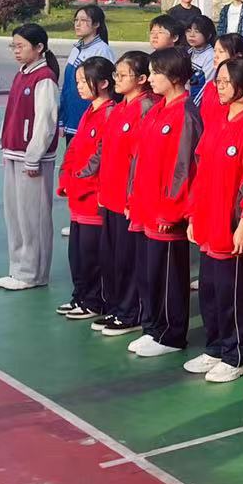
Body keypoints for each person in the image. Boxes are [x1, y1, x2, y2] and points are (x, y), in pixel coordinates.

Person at [184, 57, 243, 385]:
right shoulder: (218, 118)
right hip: (209, 219)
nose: (219, 87)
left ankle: (237, 355)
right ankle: (216, 346)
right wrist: (193, 214)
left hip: (231, 224)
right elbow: (201, 168)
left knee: (234, 292)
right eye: (217, 81)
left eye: (226, 82)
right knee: (210, 290)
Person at [125, 47, 200, 356]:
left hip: (166, 212)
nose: (151, 78)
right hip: (147, 206)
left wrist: (172, 209)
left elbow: (184, 167)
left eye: (157, 72)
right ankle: (153, 326)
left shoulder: (185, 114)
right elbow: (140, 156)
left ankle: (170, 334)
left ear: (175, 77)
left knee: (168, 275)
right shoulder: (157, 109)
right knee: (149, 273)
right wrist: (133, 196)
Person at [91, 53, 154, 337]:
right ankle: (118, 307)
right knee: (113, 257)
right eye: (116, 74)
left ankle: (132, 312)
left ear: (141, 79)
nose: (116, 80)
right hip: (111, 196)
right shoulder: (118, 108)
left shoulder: (146, 107)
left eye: (123, 75)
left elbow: (140, 158)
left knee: (130, 259)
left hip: (129, 200)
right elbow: (107, 151)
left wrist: (132, 196)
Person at [0, 24, 61, 292]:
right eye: (14, 46)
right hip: (14, 153)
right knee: (15, 215)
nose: (16, 50)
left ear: (39, 48)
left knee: (33, 217)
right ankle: (18, 268)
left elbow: (46, 122)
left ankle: (33, 273)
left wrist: (33, 157)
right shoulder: (22, 74)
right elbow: (12, 114)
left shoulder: (44, 78)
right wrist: (5, 144)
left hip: (32, 159)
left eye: (21, 46)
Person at [56, 55, 115, 321]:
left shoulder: (109, 113)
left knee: (92, 255)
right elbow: (74, 149)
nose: (79, 86)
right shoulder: (89, 112)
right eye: (78, 81)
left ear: (103, 83)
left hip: (92, 196)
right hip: (78, 196)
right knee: (77, 253)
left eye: (84, 81)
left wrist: (78, 178)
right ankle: (80, 296)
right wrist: (66, 177)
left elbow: (100, 156)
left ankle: (95, 300)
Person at [58, 5, 114, 146]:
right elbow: (67, 86)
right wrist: (62, 118)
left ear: (96, 24)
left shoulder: (102, 51)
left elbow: (107, 89)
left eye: (83, 20)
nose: (77, 24)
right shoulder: (76, 49)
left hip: (89, 120)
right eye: (76, 20)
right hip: (72, 119)